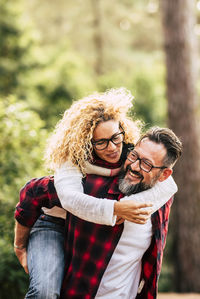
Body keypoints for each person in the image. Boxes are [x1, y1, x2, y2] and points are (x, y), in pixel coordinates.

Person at [14, 89, 178, 298]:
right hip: (52, 223)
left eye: (115, 138)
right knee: (45, 291)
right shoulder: (74, 163)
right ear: (86, 141)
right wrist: (20, 245)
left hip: (79, 226)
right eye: (101, 142)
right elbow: (40, 193)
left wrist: (133, 205)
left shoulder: (130, 154)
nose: (112, 148)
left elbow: (169, 185)